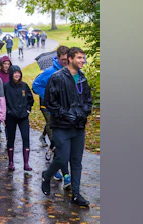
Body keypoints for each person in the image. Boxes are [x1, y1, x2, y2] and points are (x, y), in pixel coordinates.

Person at [40, 47, 93, 207]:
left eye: (83, 58)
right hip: (62, 127)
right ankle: (47, 176)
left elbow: (88, 100)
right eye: (79, 58)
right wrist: (65, 114)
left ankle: (76, 195)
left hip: (78, 127)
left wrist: (82, 114)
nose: (82, 60)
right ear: (70, 59)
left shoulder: (82, 78)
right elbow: (50, 102)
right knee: (62, 158)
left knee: (76, 161)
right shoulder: (57, 78)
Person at [32, 45, 71, 186]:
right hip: (50, 111)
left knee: (62, 143)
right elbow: (35, 85)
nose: (66, 62)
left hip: (66, 113)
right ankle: (64, 174)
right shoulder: (49, 72)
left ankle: (54, 169)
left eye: (68, 59)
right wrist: (49, 97)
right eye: (63, 60)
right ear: (58, 58)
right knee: (59, 142)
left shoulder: (71, 71)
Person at [3, 65, 34, 174]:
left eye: (18, 73)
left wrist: (28, 110)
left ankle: (26, 163)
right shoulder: (6, 86)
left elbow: (30, 99)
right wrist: (7, 111)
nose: (17, 75)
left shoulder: (24, 86)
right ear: (11, 74)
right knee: (11, 138)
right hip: (10, 116)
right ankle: (11, 162)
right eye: (15, 73)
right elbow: (3, 101)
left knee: (26, 137)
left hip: (23, 116)